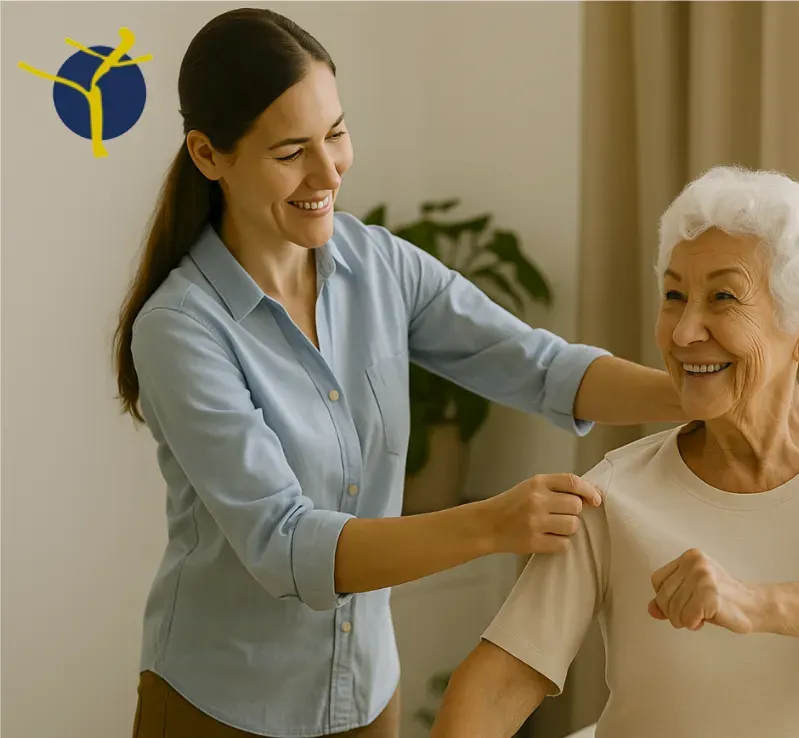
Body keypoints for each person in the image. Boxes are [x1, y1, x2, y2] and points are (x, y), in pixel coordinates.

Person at [114, 9, 684, 738]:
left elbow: (542, 368)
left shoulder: (378, 266)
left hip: (363, 696)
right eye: (292, 151)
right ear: (207, 154)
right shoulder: (182, 329)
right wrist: (493, 524)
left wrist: (697, 392)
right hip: (222, 708)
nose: (328, 173)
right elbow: (286, 545)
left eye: (337, 134)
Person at [432, 166, 799, 738]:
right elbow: (492, 691)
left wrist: (757, 604)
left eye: (723, 297)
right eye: (673, 296)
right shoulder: (615, 491)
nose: (685, 331)